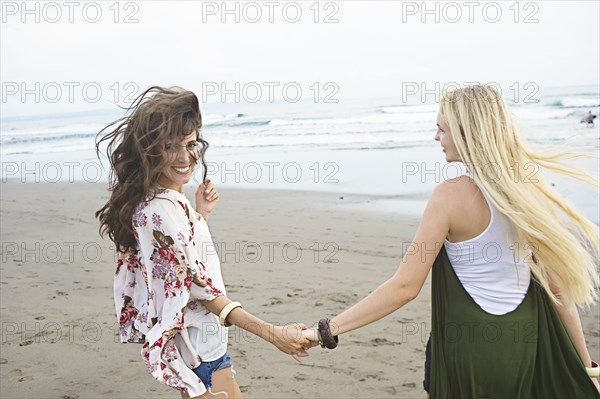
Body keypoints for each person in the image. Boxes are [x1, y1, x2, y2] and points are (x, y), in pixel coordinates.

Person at [302, 85, 600, 397]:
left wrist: (325, 330)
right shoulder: (530, 192)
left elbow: (404, 287)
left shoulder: (449, 196)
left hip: (468, 347)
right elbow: (557, 290)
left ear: (466, 132)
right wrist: (586, 369)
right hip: (523, 343)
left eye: (441, 129)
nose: (436, 138)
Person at [95, 86, 311, 399]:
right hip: (199, 349)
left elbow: (177, 259)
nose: (185, 157)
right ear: (150, 150)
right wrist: (272, 333)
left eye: (191, 143)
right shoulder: (161, 208)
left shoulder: (158, 200)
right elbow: (198, 286)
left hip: (196, 344)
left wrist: (200, 216)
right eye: (170, 147)